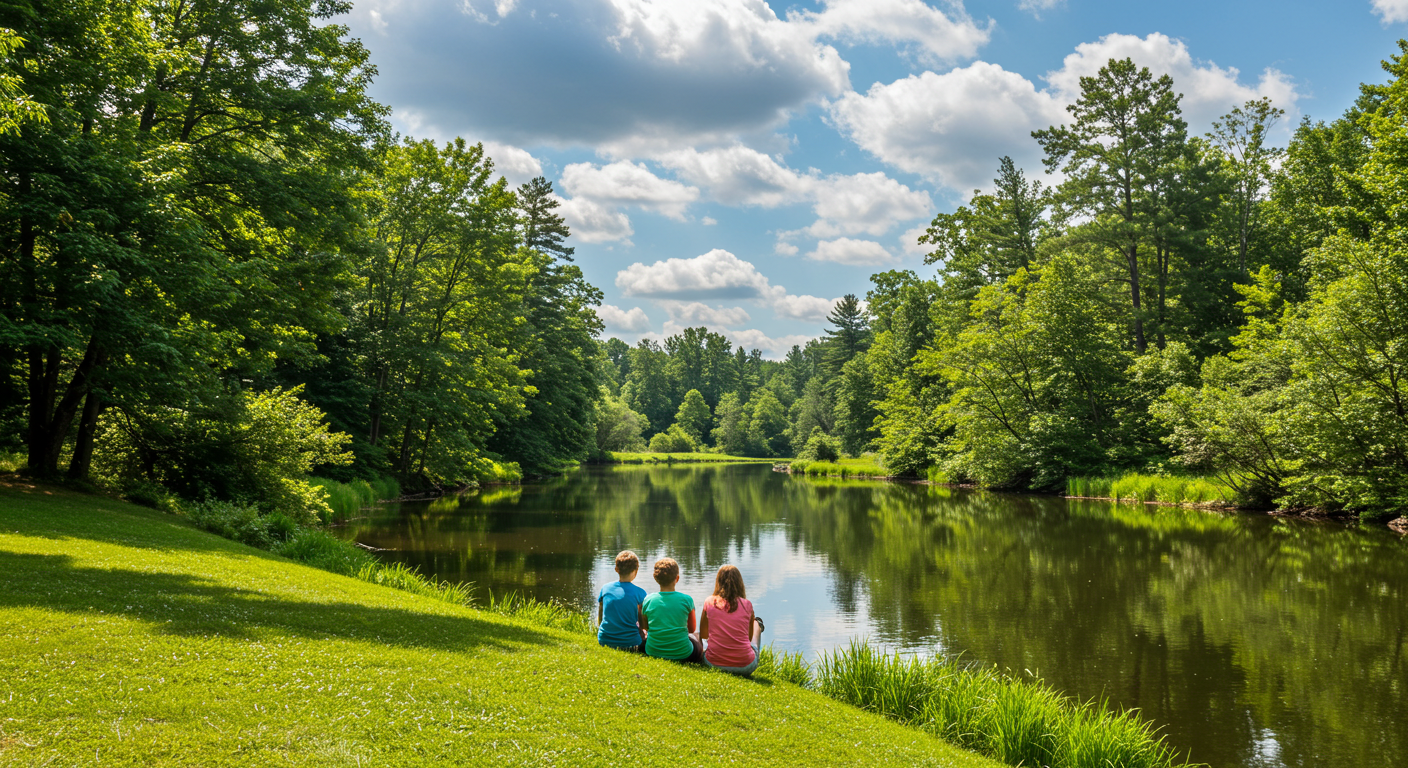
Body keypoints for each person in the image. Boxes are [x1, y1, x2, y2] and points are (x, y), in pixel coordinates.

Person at [699, 564, 764, 676]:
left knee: (697, 636)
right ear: (740, 583)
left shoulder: (709, 601)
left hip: (712, 663)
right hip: (746, 666)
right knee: (755, 624)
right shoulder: (747, 605)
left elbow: (704, 635)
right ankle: (759, 625)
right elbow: (748, 638)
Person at [640, 557, 704, 663]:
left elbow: (645, 627)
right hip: (683, 653)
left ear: (655, 578)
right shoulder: (687, 600)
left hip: (653, 651)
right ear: (677, 578)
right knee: (696, 638)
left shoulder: (648, 600)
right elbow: (692, 629)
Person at [597, 551, 647, 652]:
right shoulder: (640, 593)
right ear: (636, 571)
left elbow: (601, 614)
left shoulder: (605, 589)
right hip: (632, 643)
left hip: (604, 640)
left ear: (616, 569)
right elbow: (643, 623)